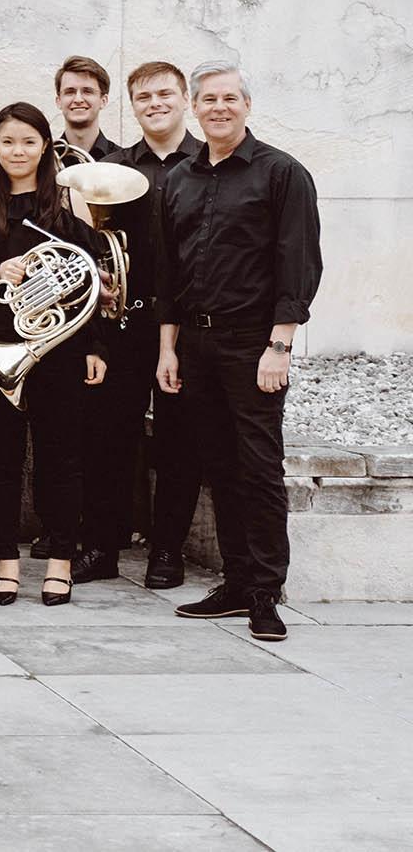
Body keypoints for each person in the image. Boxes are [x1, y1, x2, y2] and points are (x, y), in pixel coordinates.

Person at [159, 63, 321, 643]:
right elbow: (169, 273)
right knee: (218, 467)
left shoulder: (282, 173)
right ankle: (235, 581)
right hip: (195, 344)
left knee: (258, 468)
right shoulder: (179, 178)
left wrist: (280, 345)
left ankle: (264, 594)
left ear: (247, 105)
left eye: (229, 98)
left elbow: (297, 265)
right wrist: (168, 349)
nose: (218, 107)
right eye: (208, 99)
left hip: (254, 342)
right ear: (194, 109)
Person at [0, 103, 109, 609]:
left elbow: (91, 283)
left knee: (62, 459)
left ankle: (60, 561)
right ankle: (6, 562)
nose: (18, 151)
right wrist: (0, 269)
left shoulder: (70, 203)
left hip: (60, 351)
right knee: (3, 460)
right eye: (8, 142)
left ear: (45, 147)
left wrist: (96, 347)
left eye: (28, 142)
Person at [78, 61, 201, 589]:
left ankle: (166, 551)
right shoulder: (113, 165)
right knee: (108, 436)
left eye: (165, 94)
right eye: (144, 96)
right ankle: (102, 547)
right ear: (131, 104)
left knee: (178, 439)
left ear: (185, 99)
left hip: (187, 324)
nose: (155, 103)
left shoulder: (208, 163)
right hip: (126, 320)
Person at [54, 55, 121, 161]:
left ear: (103, 101)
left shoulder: (123, 161)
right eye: (70, 92)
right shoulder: (44, 161)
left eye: (87, 91)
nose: (78, 99)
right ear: (59, 101)